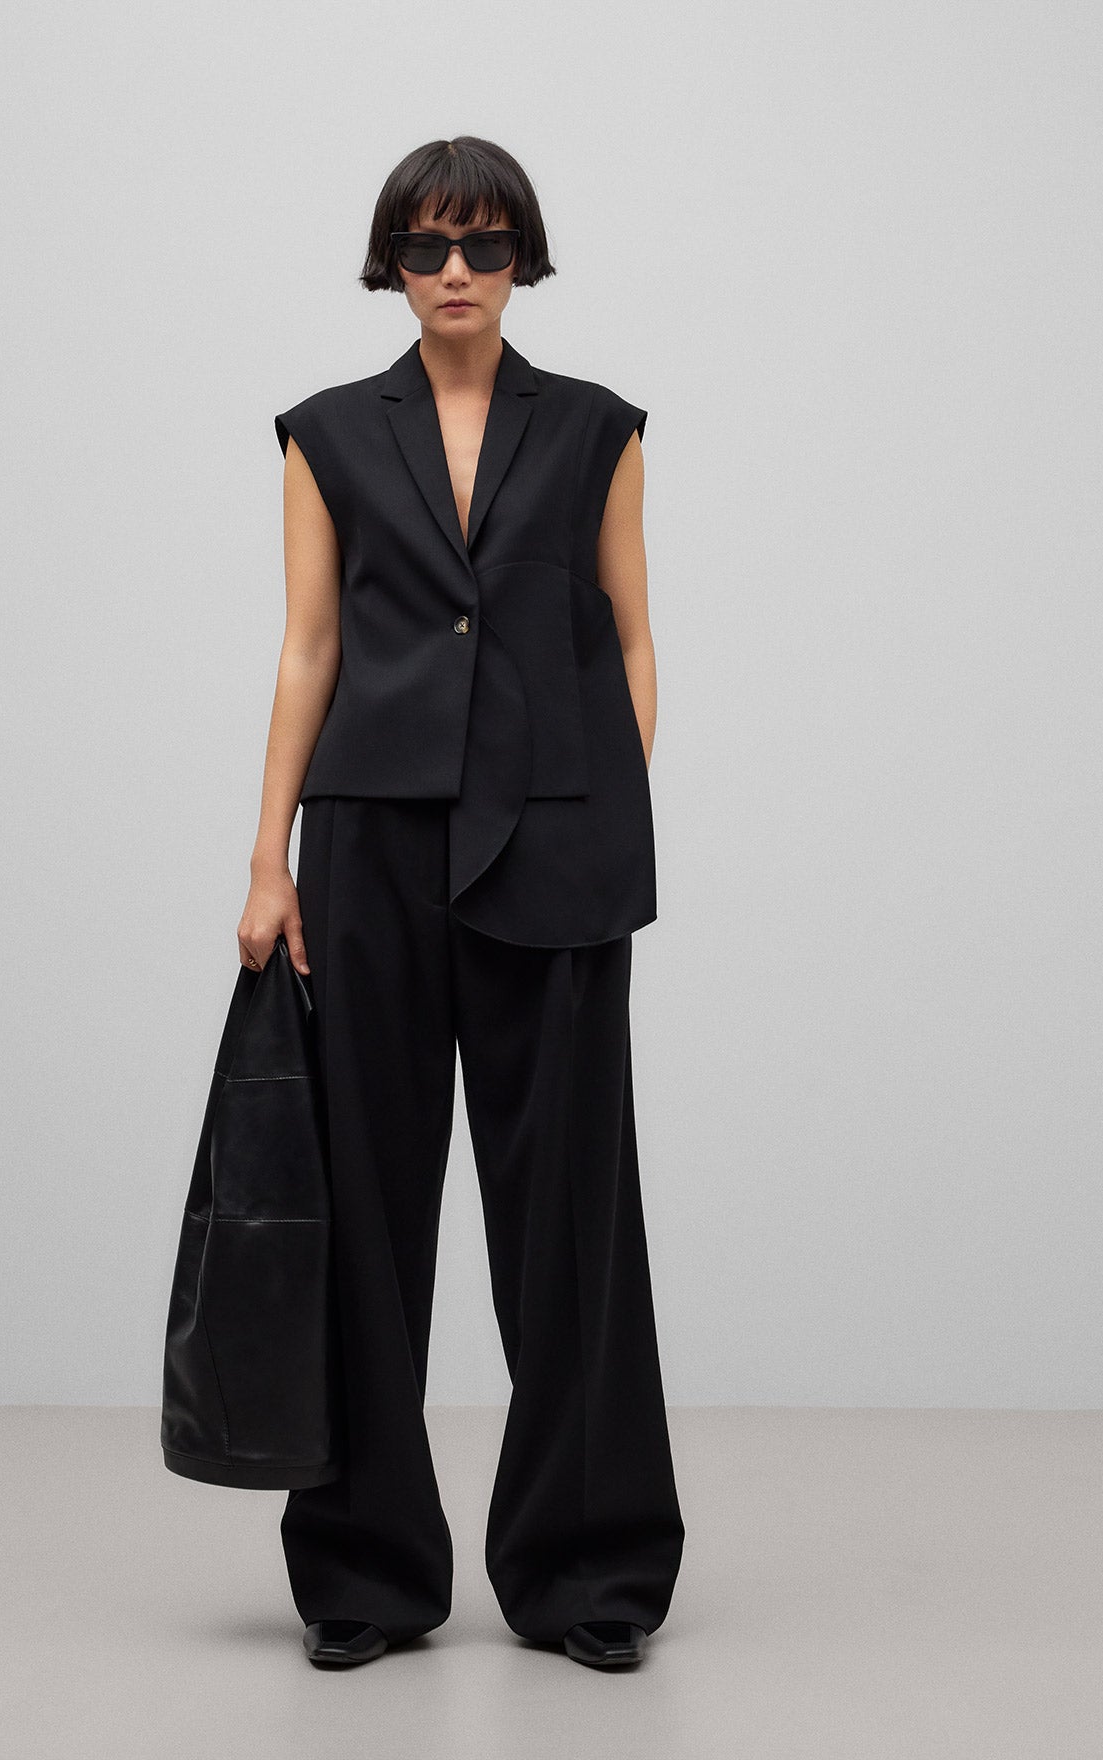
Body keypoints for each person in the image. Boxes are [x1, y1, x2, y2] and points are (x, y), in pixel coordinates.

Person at [236, 136, 684, 1670]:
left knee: (572, 1218)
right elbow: (309, 649)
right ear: (392, 263)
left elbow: (633, 637)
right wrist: (268, 860)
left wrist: (603, 812)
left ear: (521, 261)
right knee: (364, 1205)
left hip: (555, 850)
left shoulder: (600, 428)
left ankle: (590, 1571)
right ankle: (364, 1573)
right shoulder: (325, 435)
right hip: (368, 848)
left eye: (484, 246)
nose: (454, 273)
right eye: (427, 246)